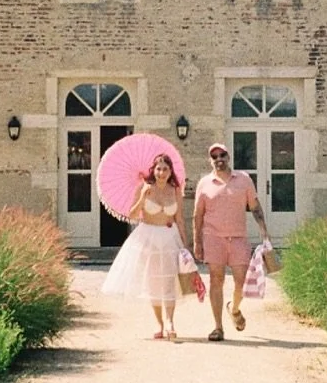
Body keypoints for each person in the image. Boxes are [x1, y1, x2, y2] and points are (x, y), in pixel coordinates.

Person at [101, 152, 191, 340]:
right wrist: (142, 197)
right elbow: (132, 215)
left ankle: (170, 322)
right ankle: (159, 324)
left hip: (169, 238)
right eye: (158, 169)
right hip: (148, 237)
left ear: (170, 171)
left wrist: (185, 244)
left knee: (170, 281)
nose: (161, 173)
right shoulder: (144, 188)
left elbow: (180, 218)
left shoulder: (175, 190)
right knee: (154, 282)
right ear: (153, 170)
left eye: (165, 169)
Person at [192, 144, 270, 341]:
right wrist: (197, 243)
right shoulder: (204, 183)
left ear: (229, 156)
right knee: (216, 280)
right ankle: (218, 327)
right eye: (214, 156)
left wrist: (264, 232)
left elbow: (255, 207)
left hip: (238, 238)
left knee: (241, 281)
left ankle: (234, 309)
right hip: (213, 238)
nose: (219, 159)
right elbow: (197, 215)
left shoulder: (243, 180)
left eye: (222, 155)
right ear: (210, 160)